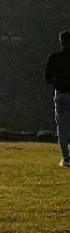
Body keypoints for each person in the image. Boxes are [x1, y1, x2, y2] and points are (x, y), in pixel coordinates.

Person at [44, 30, 70, 168]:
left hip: (61, 93)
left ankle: (66, 158)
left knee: (62, 127)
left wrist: (58, 81)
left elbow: (48, 79)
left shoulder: (55, 58)